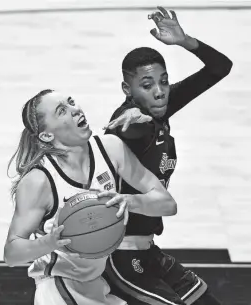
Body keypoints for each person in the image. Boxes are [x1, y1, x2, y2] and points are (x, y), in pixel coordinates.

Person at [104, 6, 233, 305]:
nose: (160, 91)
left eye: (163, 81)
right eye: (147, 86)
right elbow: (127, 129)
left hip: (148, 250)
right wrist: (134, 115)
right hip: (119, 254)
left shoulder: (161, 104)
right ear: (128, 89)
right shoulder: (128, 122)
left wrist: (185, 41)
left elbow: (220, 68)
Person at [4, 89, 177, 305]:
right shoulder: (39, 181)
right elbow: (11, 253)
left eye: (71, 102)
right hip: (58, 288)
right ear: (47, 135)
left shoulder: (110, 148)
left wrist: (130, 201)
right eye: (62, 111)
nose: (75, 110)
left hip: (97, 284)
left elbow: (168, 205)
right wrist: (48, 242)